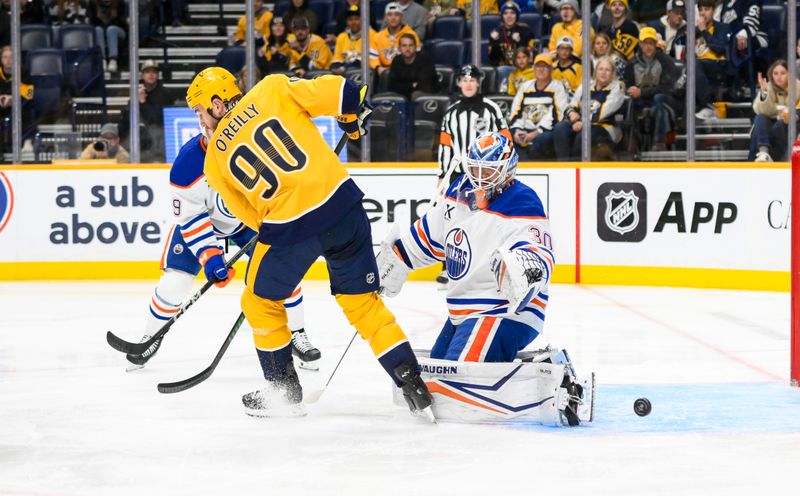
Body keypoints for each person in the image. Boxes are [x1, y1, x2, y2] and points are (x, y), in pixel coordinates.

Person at [186, 67, 433, 418]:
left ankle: (284, 393)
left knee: (258, 300)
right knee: (363, 305)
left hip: (289, 229)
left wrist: (284, 239)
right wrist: (350, 117)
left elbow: (252, 219)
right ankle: (411, 381)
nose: (200, 119)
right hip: (344, 206)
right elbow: (347, 92)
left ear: (216, 103)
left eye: (199, 110)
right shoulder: (271, 88)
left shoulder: (213, 162)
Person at [376, 132, 590, 426]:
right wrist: (394, 261)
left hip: (504, 312)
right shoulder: (457, 193)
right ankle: (537, 368)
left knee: (452, 389)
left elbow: (539, 250)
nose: (479, 177)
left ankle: (556, 383)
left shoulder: (522, 201)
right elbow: (429, 234)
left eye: (487, 170)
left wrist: (524, 265)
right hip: (462, 315)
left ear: (507, 169)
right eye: (474, 168)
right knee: (437, 377)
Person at [126, 131, 321, 371]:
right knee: (175, 282)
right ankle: (151, 337)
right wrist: (210, 256)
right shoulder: (189, 161)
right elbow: (191, 218)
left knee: (284, 273)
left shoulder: (255, 146)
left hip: (247, 221)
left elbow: (283, 185)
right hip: (201, 221)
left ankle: (296, 333)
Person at [438, 64, 510, 183]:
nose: (468, 84)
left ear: (478, 83)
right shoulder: (450, 113)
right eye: (465, 80)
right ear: (459, 83)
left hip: (486, 173)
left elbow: (506, 141)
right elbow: (445, 147)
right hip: (458, 175)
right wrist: (442, 175)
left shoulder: (492, 109)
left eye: (472, 80)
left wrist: (504, 171)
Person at [553, 56, 625, 161]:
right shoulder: (586, 85)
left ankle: (578, 168)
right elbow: (572, 105)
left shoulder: (618, 87)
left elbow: (603, 112)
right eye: (601, 69)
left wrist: (582, 122)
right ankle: (564, 166)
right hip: (581, 123)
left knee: (583, 136)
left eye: (607, 70)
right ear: (596, 71)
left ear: (613, 73)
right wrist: (572, 114)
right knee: (561, 127)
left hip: (605, 126)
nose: (603, 72)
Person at [623, 27, 680, 151]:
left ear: (656, 44)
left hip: (664, 99)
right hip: (641, 99)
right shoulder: (631, 63)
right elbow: (628, 85)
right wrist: (631, 90)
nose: (648, 47)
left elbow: (667, 87)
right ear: (640, 45)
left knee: (659, 100)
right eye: (645, 43)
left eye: (651, 43)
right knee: (628, 102)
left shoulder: (666, 61)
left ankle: (660, 142)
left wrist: (641, 92)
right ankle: (631, 141)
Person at [508, 53, 568, 160]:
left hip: (547, 131)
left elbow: (558, 116)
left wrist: (536, 132)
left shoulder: (558, 87)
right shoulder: (525, 87)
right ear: (534, 69)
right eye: (538, 66)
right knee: (508, 140)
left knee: (540, 141)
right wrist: (517, 130)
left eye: (545, 67)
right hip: (524, 130)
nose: (541, 70)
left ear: (551, 70)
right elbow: (516, 112)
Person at [120, 60, 178, 162]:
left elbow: (157, 120)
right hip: (139, 141)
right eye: (147, 72)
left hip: (159, 143)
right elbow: (125, 122)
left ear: (157, 75)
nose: (151, 75)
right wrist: (135, 102)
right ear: (142, 75)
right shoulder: (137, 94)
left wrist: (142, 103)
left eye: (154, 72)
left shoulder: (165, 94)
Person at [749, 60, 799, 163]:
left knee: (781, 124)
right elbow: (760, 110)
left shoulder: (798, 87)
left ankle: (773, 156)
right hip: (771, 124)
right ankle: (763, 153)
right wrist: (764, 94)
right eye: (775, 73)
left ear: (789, 74)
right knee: (760, 119)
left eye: (782, 73)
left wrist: (790, 114)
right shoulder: (768, 87)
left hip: (792, 125)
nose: (779, 77)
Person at [693, 0, 731, 121]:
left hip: (717, 67)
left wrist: (704, 31)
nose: (703, 13)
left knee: (694, 65)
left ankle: (707, 105)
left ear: (713, 11)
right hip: (698, 68)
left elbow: (720, 50)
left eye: (707, 9)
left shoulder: (723, 28)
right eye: (701, 10)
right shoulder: (694, 31)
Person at [0, 45, 35, 153]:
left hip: (18, 107)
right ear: (1, 59)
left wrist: (12, 99)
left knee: (27, 111)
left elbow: (29, 95)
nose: (8, 60)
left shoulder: (24, 74)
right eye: (5, 57)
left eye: (11, 57)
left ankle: (28, 141)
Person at [330, 4, 378, 76]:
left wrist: (345, 68)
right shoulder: (342, 36)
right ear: (346, 21)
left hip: (364, 74)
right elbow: (337, 58)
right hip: (345, 72)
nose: (353, 22)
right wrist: (335, 67)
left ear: (363, 20)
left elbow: (370, 58)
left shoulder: (372, 34)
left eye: (357, 19)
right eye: (350, 19)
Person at [375, 2, 420, 75]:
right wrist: (378, 67)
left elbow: (417, 57)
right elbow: (372, 57)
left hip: (406, 71)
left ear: (401, 17)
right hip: (383, 73)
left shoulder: (411, 35)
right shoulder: (377, 36)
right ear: (385, 18)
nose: (393, 18)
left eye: (396, 14)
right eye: (389, 15)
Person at [387, 34, 438, 98]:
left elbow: (424, 86)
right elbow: (392, 86)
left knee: (416, 95)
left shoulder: (424, 59)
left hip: (427, 97)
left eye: (411, 45)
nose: (407, 49)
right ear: (399, 48)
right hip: (404, 97)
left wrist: (404, 87)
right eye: (404, 46)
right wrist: (411, 85)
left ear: (416, 47)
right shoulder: (396, 60)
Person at [488, 1, 533, 74]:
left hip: (522, 67)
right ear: (502, 16)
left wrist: (520, 42)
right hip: (502, 68)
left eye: (512, 13)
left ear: (517, 15)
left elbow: (531, 55)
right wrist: (494, 43)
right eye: (505, 13)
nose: (509, 16)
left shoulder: (525, 30)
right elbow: (493, 60)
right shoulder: (496, 32)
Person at [89, 0, 126, 74]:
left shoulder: (120, 3)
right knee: (97, 29)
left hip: (117, 31)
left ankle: (113, 60)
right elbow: (91, 22)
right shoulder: (93, 3)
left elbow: (124, 22)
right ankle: (102, 60)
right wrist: (98, 15)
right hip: (100, 31)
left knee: (111, 29)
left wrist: (115, 15)